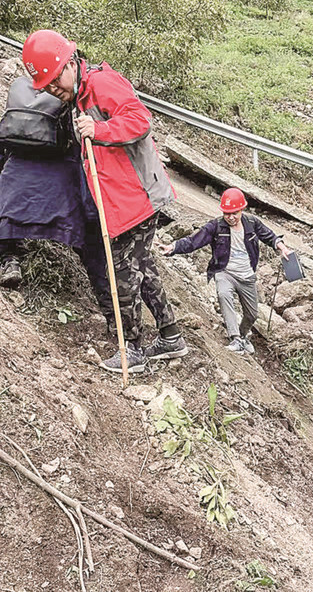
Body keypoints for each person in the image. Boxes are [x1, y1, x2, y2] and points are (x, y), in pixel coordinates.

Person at [20, 29, 187, 373]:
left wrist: (100, 131)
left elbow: (140, 120)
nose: (53, 90)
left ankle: (133, 349)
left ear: (71, 64)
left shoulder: (102, 84)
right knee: (143, 266)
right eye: (47, 86)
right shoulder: (78, 96)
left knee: (123, 273)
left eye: (55, 81)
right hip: (120, 202)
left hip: (138, 197)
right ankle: (171, 336)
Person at [0, 76, 114, 327]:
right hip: (64, 195)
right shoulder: (73, 109)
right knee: (91, 241)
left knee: (1, 204)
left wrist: (10, 170)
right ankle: (113, 312)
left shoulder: (19, 109)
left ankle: (8, 260)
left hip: (15, 190)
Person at [159, 188, 292, 354]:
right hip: (224, 272)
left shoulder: (252, 223)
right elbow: (194, 241)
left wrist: (282, 248)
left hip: (247, 276)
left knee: (252, 315)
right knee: (223, 295)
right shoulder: (216, 226)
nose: (230, 217)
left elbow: (269, 236)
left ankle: (242, 336)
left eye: (234, 213)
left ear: (242, 209)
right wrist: (173, 247)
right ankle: (235, 338)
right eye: (227, 213)